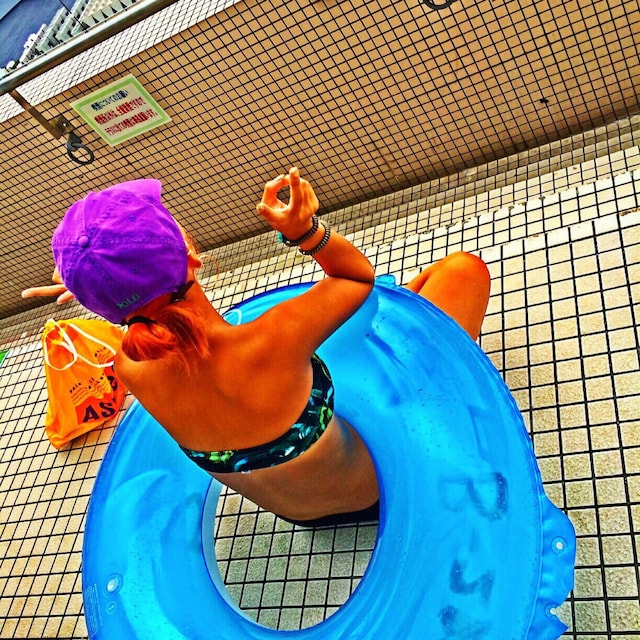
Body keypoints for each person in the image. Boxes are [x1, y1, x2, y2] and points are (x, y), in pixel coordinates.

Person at [22, 168, 490, 527]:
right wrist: (305, 231)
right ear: (191, 257)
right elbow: (355, 277)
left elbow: (148, 326)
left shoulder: (131, 368)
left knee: (398, 310)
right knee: (460, 271)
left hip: (300, 516)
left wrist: (99, 283)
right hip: (379, 487)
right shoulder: (275, 337)